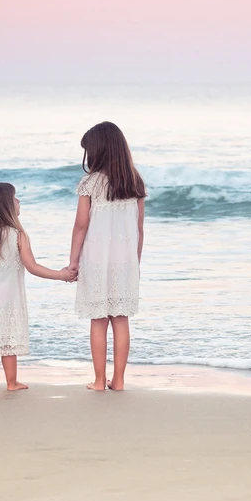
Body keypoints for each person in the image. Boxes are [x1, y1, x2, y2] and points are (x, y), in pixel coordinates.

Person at [0, 182, 76, 391]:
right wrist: (61, 275)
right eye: (15, 198)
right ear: (5, 206)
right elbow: (33, 267)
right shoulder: (17, 235)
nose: (19, 202)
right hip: (8, 298)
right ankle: (11, 382)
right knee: (8, 340)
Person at [69, 121, 145, 391]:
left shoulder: (90, 183)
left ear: (98, 151)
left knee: (99, 320)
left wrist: (73, 261)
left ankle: (100, 381)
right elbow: (138, 228)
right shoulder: (134, 181)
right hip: (125, 262)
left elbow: (81, 225)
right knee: (121, 319)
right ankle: (120, 381)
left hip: (96, 260)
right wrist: (135, 260)